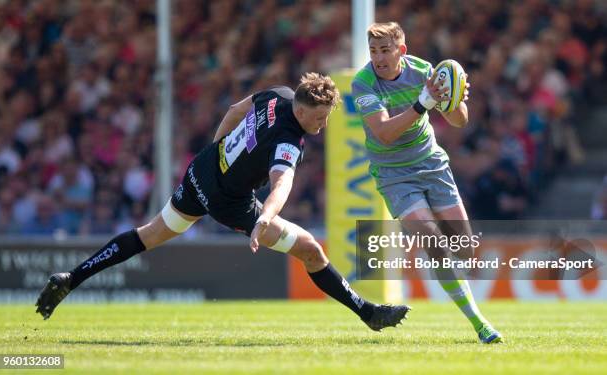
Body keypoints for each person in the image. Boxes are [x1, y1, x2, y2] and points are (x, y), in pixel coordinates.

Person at [35, 72, 410, 331]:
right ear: (302, 110)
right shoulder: (289, 139)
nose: (324, 125)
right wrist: (264, 218)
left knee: (149, 234)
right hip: (230, 202)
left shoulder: (277, 93)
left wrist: (215, 153)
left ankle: (71, 278)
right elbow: (281, 185)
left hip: (200, 171)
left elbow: (234, 111)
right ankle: (368, 313)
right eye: (322, 118)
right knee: (312, 249)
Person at [351, 22, 502, 343]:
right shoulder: (363, 83)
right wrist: (422, 103)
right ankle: (480, 324)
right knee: (434, 242)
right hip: (394, 173)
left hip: (431, 164)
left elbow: (459, 121)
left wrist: (454, 99)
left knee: (465, 250)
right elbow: (384, 133)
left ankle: (472, 304)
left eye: (385, 50)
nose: (378, 58)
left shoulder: (425, 72)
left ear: (401, 51)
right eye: (373, 51)